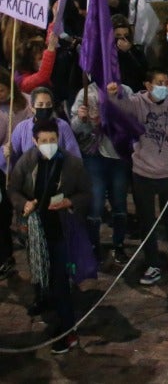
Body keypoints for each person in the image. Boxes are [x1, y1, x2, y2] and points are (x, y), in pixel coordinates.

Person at [5, 117, 92, 353]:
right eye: (43, 140)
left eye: (52, 140)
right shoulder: (27, 161)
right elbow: (13, 188)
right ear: (35, 141)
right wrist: (23, 204)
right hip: (35, 231)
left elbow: (86, 194)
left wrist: (68, 202)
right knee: (40, 272)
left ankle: (68, 331)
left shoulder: (72, 164)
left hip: (61, 229)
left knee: (60, 280)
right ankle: (46, 305)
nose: (49, 144)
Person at [103, 69, 168, 286]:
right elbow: (121, 110)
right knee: (146, 220)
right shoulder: (137, 102)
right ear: (149, 85)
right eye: (159, 82)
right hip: (143, 172)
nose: (164, 85)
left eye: (166, 81)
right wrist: (113, 95)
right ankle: (152, 262)